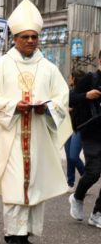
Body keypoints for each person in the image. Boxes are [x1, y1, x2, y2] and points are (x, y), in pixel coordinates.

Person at [0, 0, 71, 244]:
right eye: (25, 36)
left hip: (37, 139)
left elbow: (61, 98)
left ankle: (25, 235)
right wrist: (12, 106)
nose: (30, 41)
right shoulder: (0, 67)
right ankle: (13, 236)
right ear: (14, 38)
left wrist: (47, 109)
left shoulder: (49, 68)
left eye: (34, 37)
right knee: (15, 191)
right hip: (10, 140)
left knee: (34, 190)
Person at [69, 50, 101, 228]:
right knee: (93, 172)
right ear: (100, 60)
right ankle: (77, 197)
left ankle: (97, 213)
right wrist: (86, 96)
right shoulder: (90, 79)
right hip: (92, 133)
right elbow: (70, 98)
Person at [64, 69, 86, 193]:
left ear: (74, 79)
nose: (69, 80)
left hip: (79, 128)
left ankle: (86, 175)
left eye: (70, 77)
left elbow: (81, 107)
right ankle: (70, 182)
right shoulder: (70, 92)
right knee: (69, 156)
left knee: (73, 156)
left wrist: (71, 109)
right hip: (69, 127)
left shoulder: (84, 93)